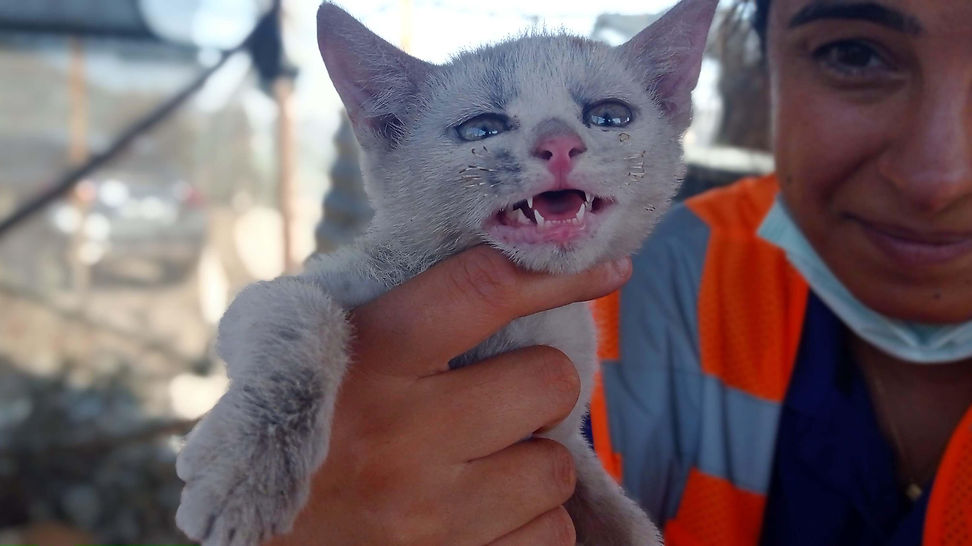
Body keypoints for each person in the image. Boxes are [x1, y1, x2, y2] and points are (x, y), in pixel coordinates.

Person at [269, 0, 972, 544]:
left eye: (605, 115)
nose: (938, 179)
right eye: (854, 54)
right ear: (771, 70)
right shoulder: (588, 294)